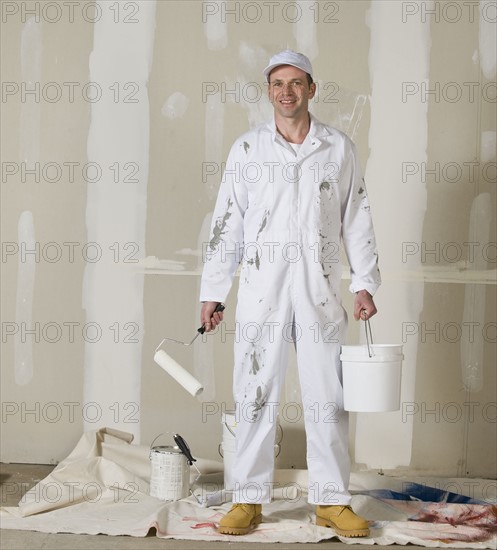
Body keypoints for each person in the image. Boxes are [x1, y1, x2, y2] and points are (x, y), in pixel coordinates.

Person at [199, 50, 381, 538]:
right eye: (278, 83)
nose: (286, 91)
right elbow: (226, 224)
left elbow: (356, 218)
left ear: (311, 89)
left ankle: (331, 501)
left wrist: (363, 283)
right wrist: (215, 291)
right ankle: (249, 499)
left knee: (329, 396)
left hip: (319, 290)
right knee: (254, 394)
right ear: (269, 91)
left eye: (296, 83)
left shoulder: (337, 148)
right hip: (262, 292)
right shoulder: (247, 151)